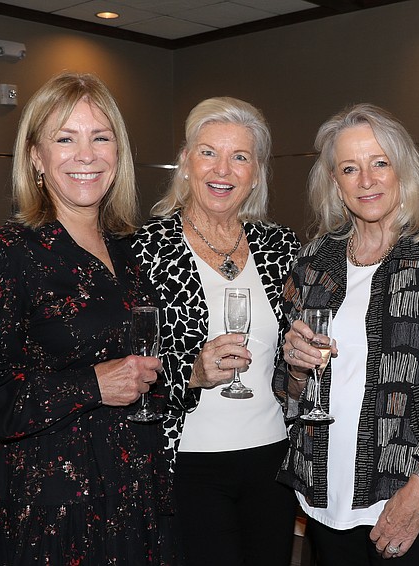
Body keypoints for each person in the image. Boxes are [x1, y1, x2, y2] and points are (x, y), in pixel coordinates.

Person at [0, 72, 172, 564]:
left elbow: (134, 371)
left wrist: (188, 375)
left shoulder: (127, 251)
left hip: (134, 494)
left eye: (100, 137)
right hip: (55, 511)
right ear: (35, 157)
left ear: (119, 152)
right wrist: (90, 386)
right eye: (65, 138)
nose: (85, 154)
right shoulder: (4, 254)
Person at [276, 103, 419, 565]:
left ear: (402, 168)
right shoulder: (313, 261)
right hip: (325, 492)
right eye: (350, 168)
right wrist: (293, 363)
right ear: (335, 182)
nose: (366, 179)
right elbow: (284, 390)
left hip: (413, 496)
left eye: (379, 163)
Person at [133, 97, 301, 566]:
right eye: (208, 152)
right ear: (185, 161)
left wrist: (306, 360)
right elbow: (122, 365)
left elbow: (293, 357)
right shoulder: (144, 249)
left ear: (256, 172)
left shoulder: (281, 246)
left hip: (272, 458)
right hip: (185, 462)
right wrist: (190, 374)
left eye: (240, 156)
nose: (222, 169)